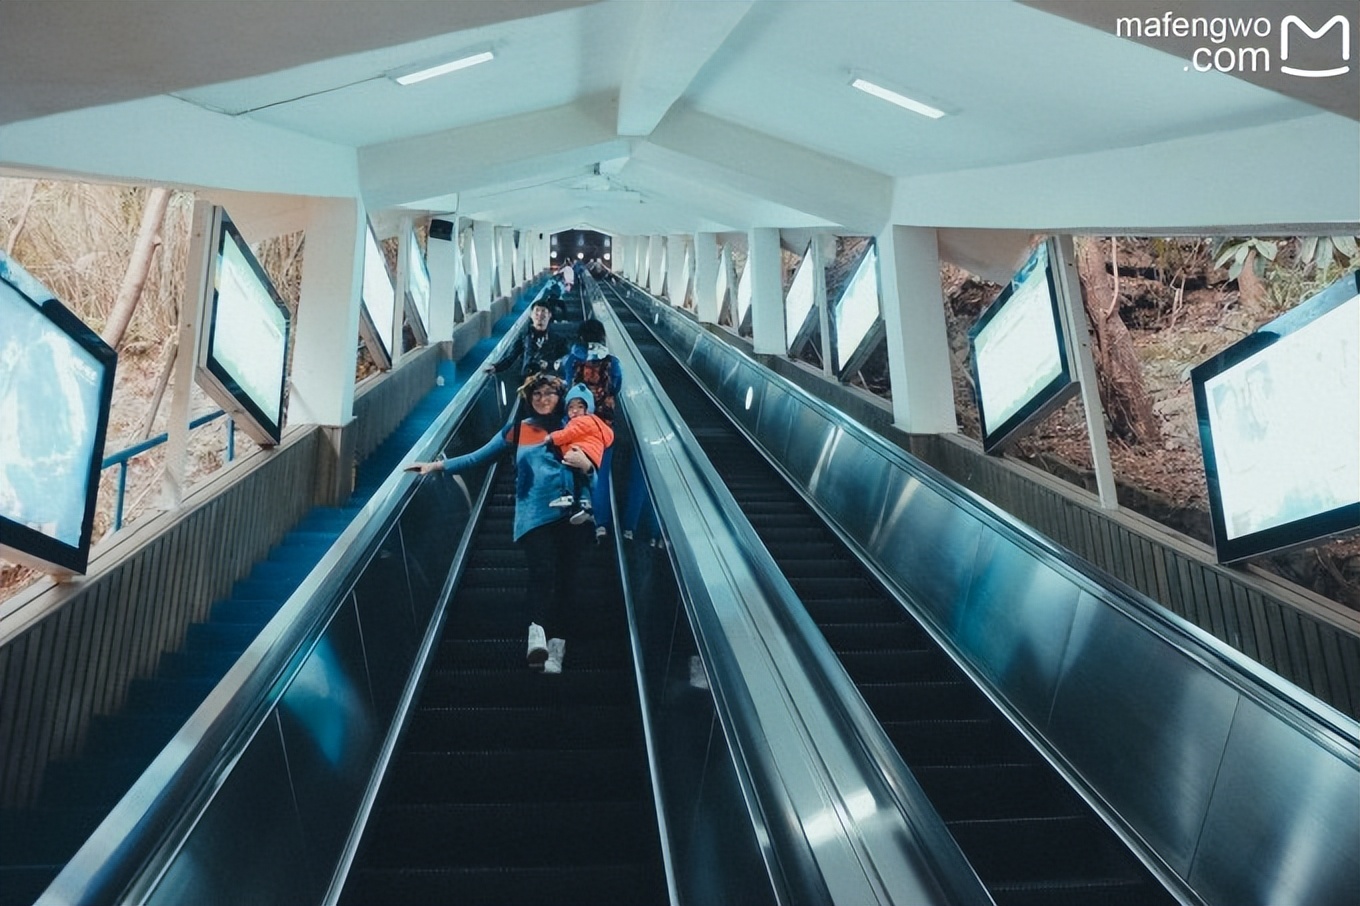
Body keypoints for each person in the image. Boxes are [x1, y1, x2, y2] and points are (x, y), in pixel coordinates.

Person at [407, 373, 593, 675]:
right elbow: (477, 458)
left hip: (570, 516)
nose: (543, 399)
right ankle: (537, 638)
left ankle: (557, 650)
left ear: (561, 399)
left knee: (567, 581)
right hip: (533, 516)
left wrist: (586, 466)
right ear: (528, 399)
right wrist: (437, 466)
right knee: (543, 571)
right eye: (537, 394)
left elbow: (591, 470)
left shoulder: (572, 429)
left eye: (550, 394)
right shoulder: (517, 431)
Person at [558, 319, 624, 539]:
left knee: (570, 464)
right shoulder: (612, 362)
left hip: (576, 425)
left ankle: (574, 505)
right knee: (601, 472)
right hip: (602, 427)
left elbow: (568, 387)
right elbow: (616, 387)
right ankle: (602, 523)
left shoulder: (571, 360)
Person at [546, 383, 615, 526]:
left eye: (580, 407)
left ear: (588, 409)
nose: (575, 411)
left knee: (566, 468)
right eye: (570, 407)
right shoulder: (597, 424)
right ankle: (585, 503)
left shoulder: (582, 421)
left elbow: (568, 434)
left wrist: (552, 438)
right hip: (593, 457)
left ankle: (567, 495)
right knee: (582, 479)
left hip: (582, 451)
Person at [483, 297, 567, 380]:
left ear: (549, 315)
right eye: (536, 312)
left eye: (543, 312)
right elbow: (511, 357)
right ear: (531, 315)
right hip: (528, 379)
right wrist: (496, 367)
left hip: (548, 380)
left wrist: (549, 364)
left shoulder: (558, 340)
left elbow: (564, 361)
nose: (540, 315)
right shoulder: (524, 336)